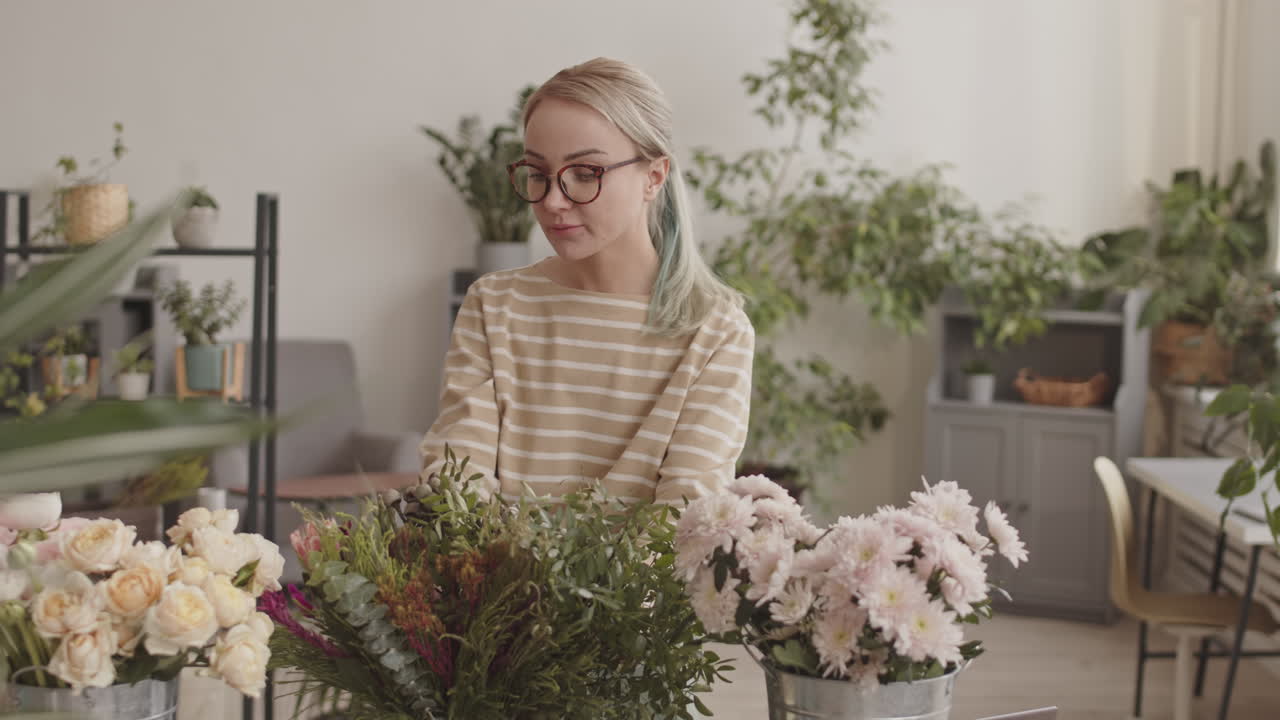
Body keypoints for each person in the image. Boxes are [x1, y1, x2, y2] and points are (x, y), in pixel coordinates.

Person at [419, 57, 754, 506]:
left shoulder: (715, 331)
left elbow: (684, 517)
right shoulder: (494, 305)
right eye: (538, 174)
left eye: (585, 174)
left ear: (653, 176)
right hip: (493, 575)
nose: (554, 201)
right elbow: (457, 483)